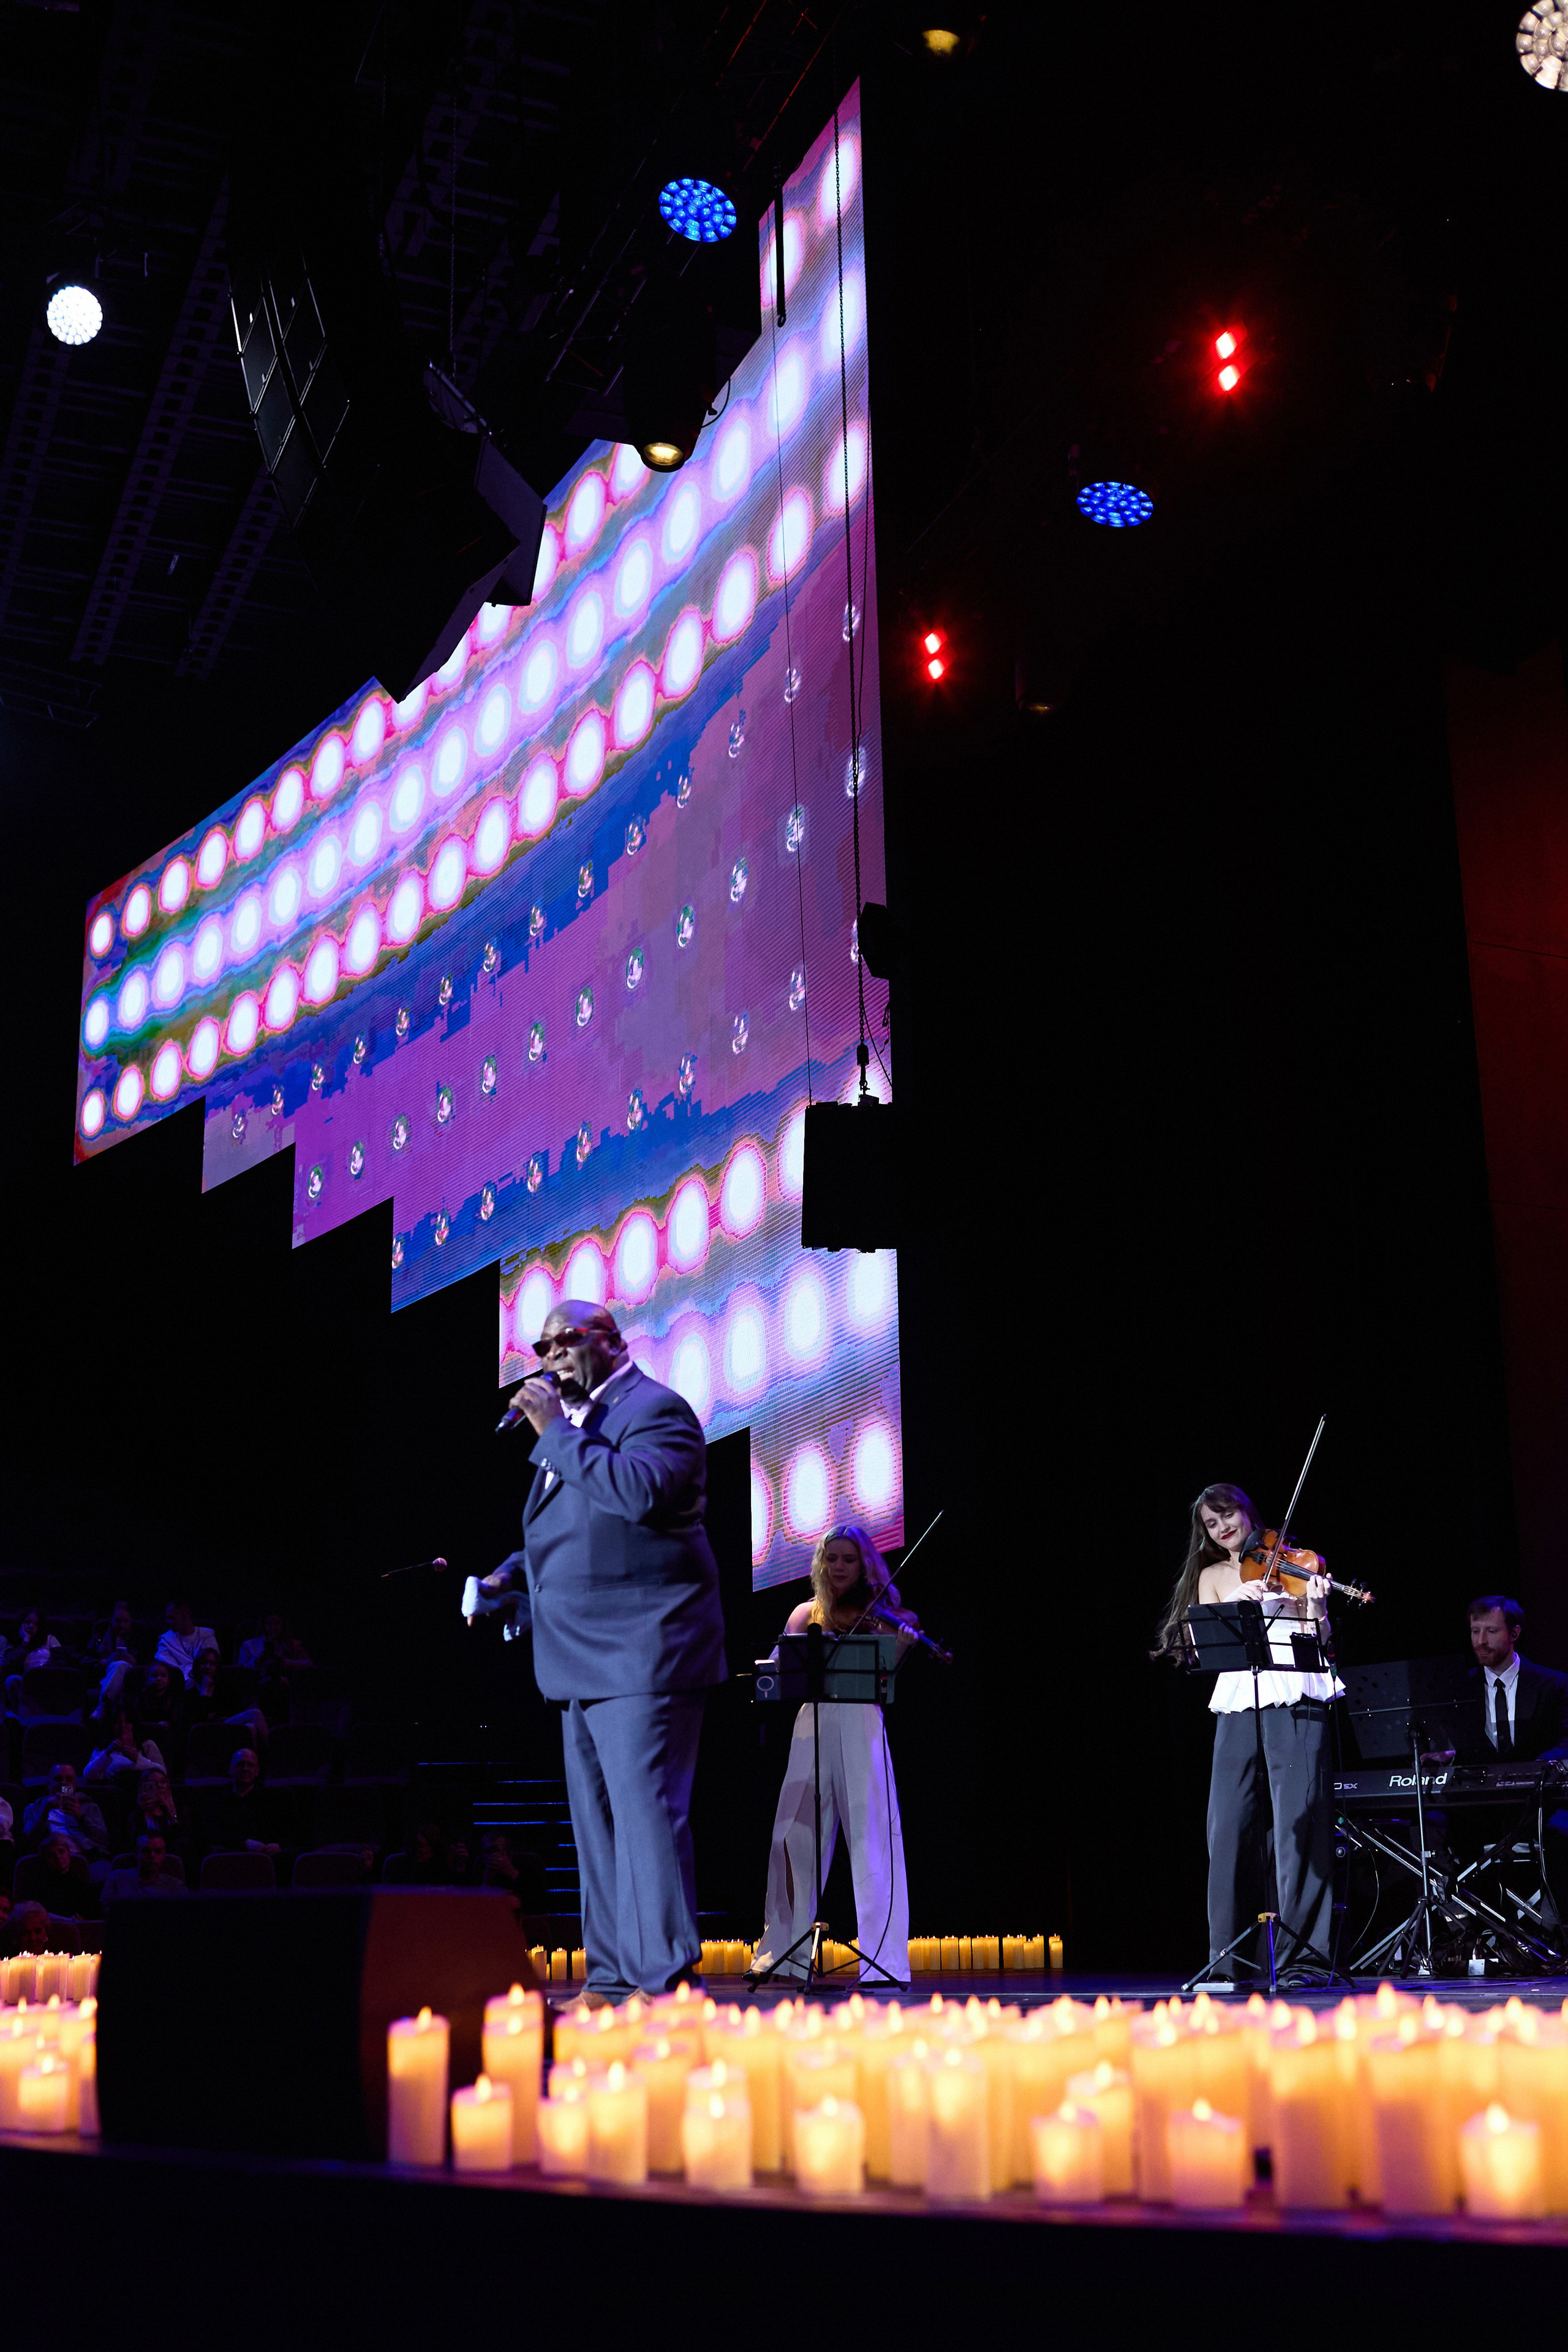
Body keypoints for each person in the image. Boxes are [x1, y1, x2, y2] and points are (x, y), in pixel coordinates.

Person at [474, 1300, 726, 2000]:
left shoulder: (656, 1411)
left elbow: (640, 1494)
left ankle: (667, 1981)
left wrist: (553, 1432)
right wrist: (510, 1576)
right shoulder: (580, 1428)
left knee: (646, 1815)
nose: (551, 1354)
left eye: (568, 1340)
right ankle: (614, 1979)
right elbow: (576, 1529)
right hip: (579, 1654)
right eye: (542, 1344)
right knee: (596, 1825)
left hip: (646, 1650)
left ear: (613, 1342)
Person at [1155, 1482, 1338, 1981]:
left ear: (1245, 1511)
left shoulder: (1293, 1562)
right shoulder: (1213, 1575)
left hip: (1296, 1690)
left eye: (1228, 1514)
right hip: (1240, 1698)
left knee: (1300, 1826)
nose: (1223, 1527)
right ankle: (1227, 1960)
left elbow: (1317, 1641)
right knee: (1228, 1826)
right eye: (1212, 1524)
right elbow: (1201, 1642)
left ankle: (1306, 1961)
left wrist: (1318, 1607)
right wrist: (1236, 1599)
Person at [753, 1525, 913, 1987]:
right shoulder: (806, 1614)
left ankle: (884, 1961)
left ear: (864, 1565)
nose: (840, 1567)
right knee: (792, 1835)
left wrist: (899, 1647)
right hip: (811, 1723)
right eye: (832, 1559)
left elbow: (887, 1678)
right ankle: (783, 1954)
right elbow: (778, 1673)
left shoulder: (881, 1613)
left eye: (849, 1560)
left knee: (872, 1838)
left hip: (861, 1720)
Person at [1463, 1596, 1568, 1761]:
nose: (1481, 1641)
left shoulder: (1554, 1684)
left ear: (1514, 1633)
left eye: (1491, 1631)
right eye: (1475, 1631)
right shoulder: (1461, 1687)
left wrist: (1536, 1769)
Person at [23, 1765, 110, 1869]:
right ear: (48, 1784)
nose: (64, 1783)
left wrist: (81, 1817)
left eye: (69, 1779)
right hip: (50, 1858)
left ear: (75, 1784)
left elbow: (103, 1839)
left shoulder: (89, 1806)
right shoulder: (34, 1808)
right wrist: (44, 1813)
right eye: (58, 1779)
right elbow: (28, 1841)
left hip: (87, 1856)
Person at [202, 1747, 283, 1858]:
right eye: (240, 1764)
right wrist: (244, 1843)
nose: (245, 1769)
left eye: (250, 1765)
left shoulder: (270, 1799)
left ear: (257, 1771)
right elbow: (211, 1832)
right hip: (229, 1856)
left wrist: (277, 1845)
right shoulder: (216, 1799)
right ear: (230, 1770)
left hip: (266, 1856)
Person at [84, 1707, 167, 1785]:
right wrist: (107, 1754)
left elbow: (163, 1772)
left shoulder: (147, 1745)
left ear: (134, 1725)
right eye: (118, 1722)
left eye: (128, 1722)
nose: (123, 1726)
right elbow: (88, 1775)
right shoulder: (104, 1748)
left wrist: (138, 1759)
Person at [100, 1833, 189, 1904]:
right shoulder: (117, 1878)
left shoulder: (176, 1887)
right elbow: (107, 1911)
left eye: (158, 1852)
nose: (152, 1856)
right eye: (146, 1851)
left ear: (164, 1856)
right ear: (136, 1854)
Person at [156, 1597, 219, 1687]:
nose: (167, 1622)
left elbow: (212, 1664)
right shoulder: (166, 1641)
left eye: (171, 1618)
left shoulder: (207, 1636)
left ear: (185, 1617)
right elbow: (171, 1668)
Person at [34, 1832, 97, 1921]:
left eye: (61, 1851)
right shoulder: (39, 1887)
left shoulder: (83, 1886)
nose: (58, 1857)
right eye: (52, 1854)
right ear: (45, 1859)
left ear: (68, 1854)